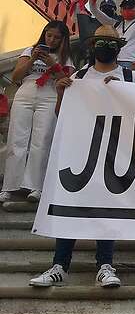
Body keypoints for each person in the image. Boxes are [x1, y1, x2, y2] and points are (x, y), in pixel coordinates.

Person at [29, 25, 135, 290]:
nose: (106, 48)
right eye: (101, 43)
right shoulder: (78, 77)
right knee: (72, 204)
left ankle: (105, 265)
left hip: (115, 151)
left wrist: (123, 93)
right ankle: (59, 266)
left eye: (111, 44)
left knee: (106, 208)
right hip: (81, 150)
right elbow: (61, 115)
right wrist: (60, 94)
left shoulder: (130, 77)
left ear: (119, 49)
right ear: (92, 46)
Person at [0, 22, 74, 203]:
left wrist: (53, 64)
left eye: (56, 37)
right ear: (44, 34)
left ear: (63, 39)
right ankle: (10, 186)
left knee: (42, 140)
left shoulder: (66, 58)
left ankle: (36, 186)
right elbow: (16, 77)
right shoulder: (29, 51)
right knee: (17, 138)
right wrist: (33, 59)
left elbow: (67, 80)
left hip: (49, 94)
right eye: (49, 35)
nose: (52, 40)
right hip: (26, 91)